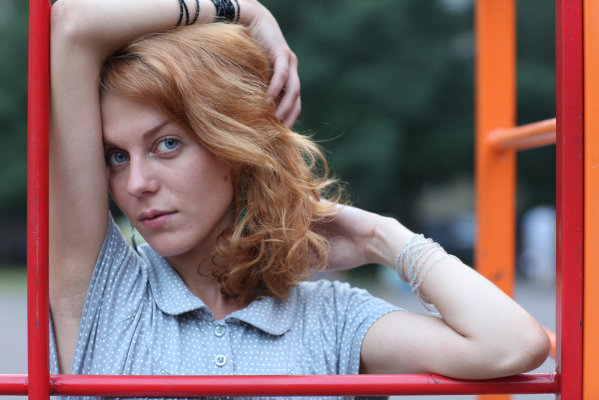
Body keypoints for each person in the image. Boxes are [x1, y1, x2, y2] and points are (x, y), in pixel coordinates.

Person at [49, 0, 550, 396]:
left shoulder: (331, 319)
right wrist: (241, 10)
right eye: (116, 156)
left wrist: (381, 237)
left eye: (166, 144)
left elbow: (513, 345)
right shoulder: (104, 292)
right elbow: (71, 24)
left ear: (233, 148)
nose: (136, 182)